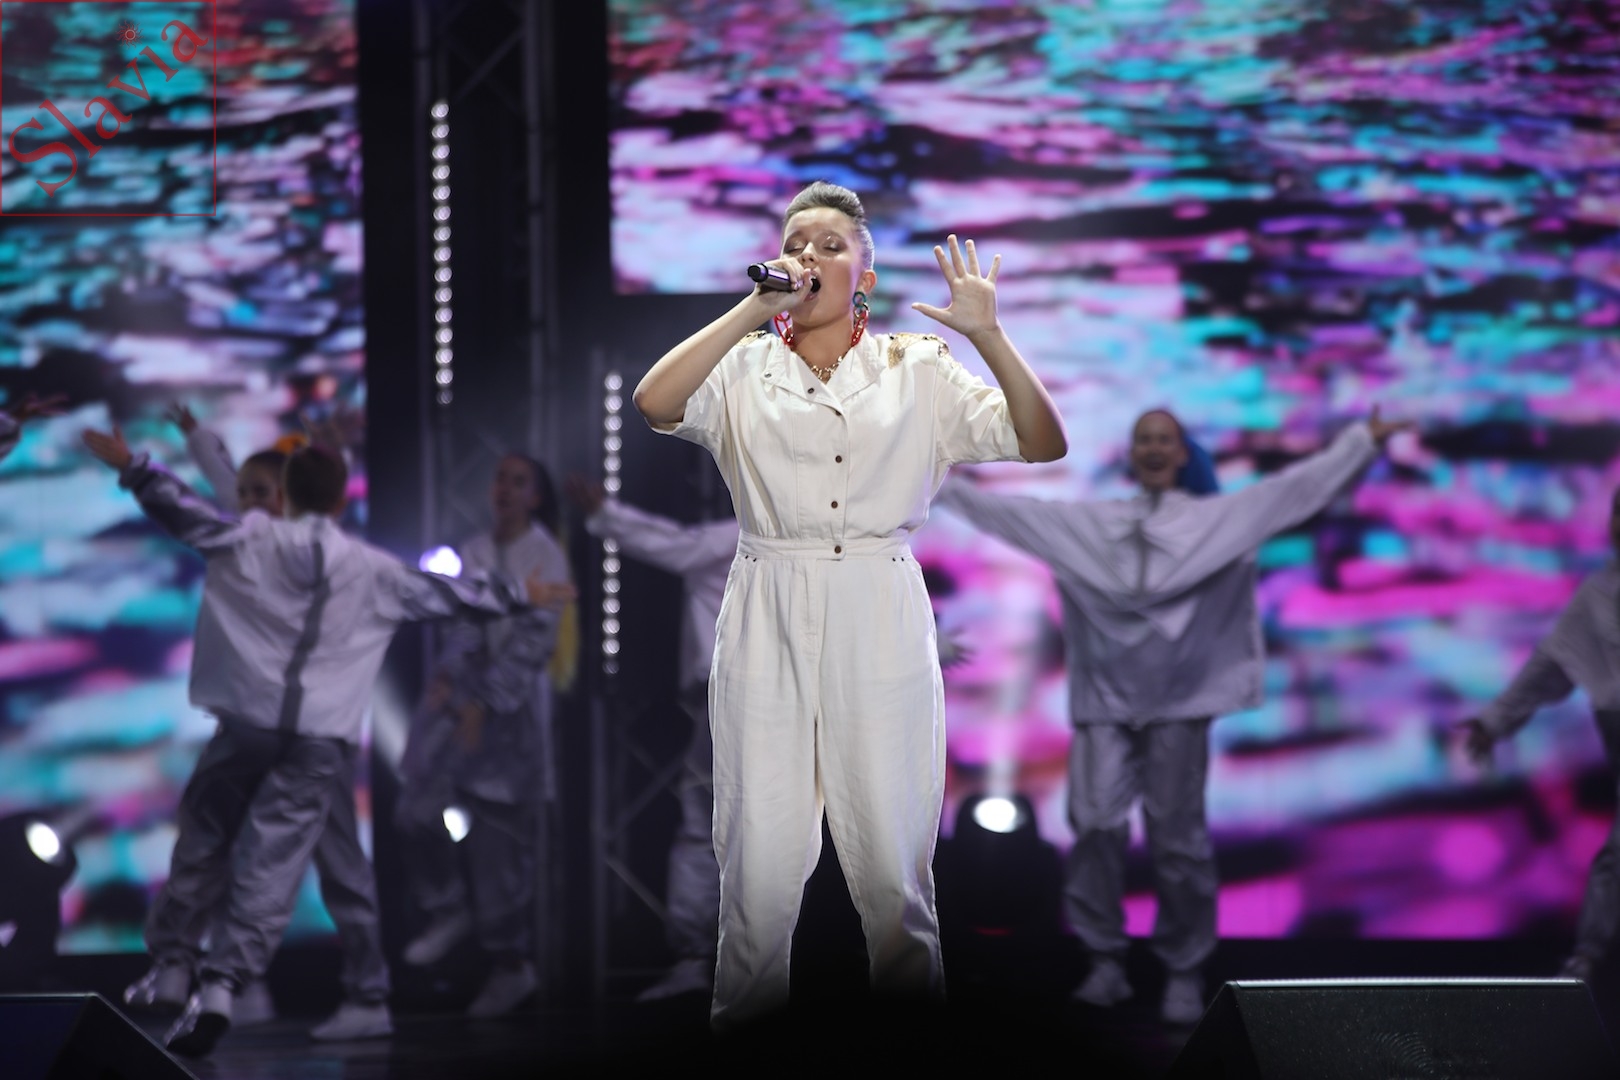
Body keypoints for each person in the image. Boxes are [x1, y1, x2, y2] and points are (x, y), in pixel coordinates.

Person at [632, 180, 1068, 1028]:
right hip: (768, 597)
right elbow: (654, 403)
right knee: (757, 864)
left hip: (878, 599)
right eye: (796, 243)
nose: (810, 256)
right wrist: (751, 311)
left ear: (863, 276)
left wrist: (988, 335)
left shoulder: (917, 367)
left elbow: (1042, 440)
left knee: (893, 869)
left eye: (831, 246)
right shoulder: (744, 366)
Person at [80, 429, 571, 1056]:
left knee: (206, 837)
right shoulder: (372, 569)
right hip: (317, 742)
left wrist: (137, 468)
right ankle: (223, 985)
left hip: (249, 725)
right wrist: (519, 594)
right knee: (271, 864)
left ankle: (177, 964)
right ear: (340, 502)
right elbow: (452, 595)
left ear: (284, 496)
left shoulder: (248, 539)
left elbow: (184, 512)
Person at [935, 406, 1408, 1023]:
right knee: (1095, 828)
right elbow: (1005, 514)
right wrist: (930, 474)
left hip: (1179, 705)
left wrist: (1361, 441)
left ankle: (1184, 968)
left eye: (1165, 440)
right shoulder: (1095, 525)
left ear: (1182, 454)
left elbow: (1299, 491)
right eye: (1145, 440)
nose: (1155, 449)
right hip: (1106, 704)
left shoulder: (1216, 522)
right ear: (1132, 455)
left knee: (1178, 840)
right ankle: (1105, 961)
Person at [123, 409, 392, 1042]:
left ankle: (367, 991)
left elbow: (279, 502)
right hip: (267, 728)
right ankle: (224, 981)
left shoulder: (312, 550)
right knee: (224, 849)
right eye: (244, 494)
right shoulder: (253, 535)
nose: (245, 502)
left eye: (261, 493)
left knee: (334, 865)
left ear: (291, 497)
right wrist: (198, 439)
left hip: (314, 734)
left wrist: (330, 455)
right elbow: (229, 487)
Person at [395, 454, 574, 1017]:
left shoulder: (546, 554)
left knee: (498, 850)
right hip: (462, 707)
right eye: (500, 478)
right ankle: (448, 907)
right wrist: (450, 678)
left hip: (510, 718)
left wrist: (487, 700)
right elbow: (465, 623)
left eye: (518, 481)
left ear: (535, 496)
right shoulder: (472, 551)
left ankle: (510, 966)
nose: (505, 488)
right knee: (415, 810)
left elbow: (532, 642)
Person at [567, 476, 739, 1002]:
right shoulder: (817, 544)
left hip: (739, 697)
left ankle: (709, 959)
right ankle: (731, 961)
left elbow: (679, 547)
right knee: (746, 827)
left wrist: (607, 516)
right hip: (762, 700)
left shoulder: (751, 534)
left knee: (710, 826)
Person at [1460, 483, 1620, 983]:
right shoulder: (1598, 596)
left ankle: (1591, 956)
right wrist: (1494, 720)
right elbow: (1550, 665)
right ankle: (1590, 956)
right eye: (1618, 515)